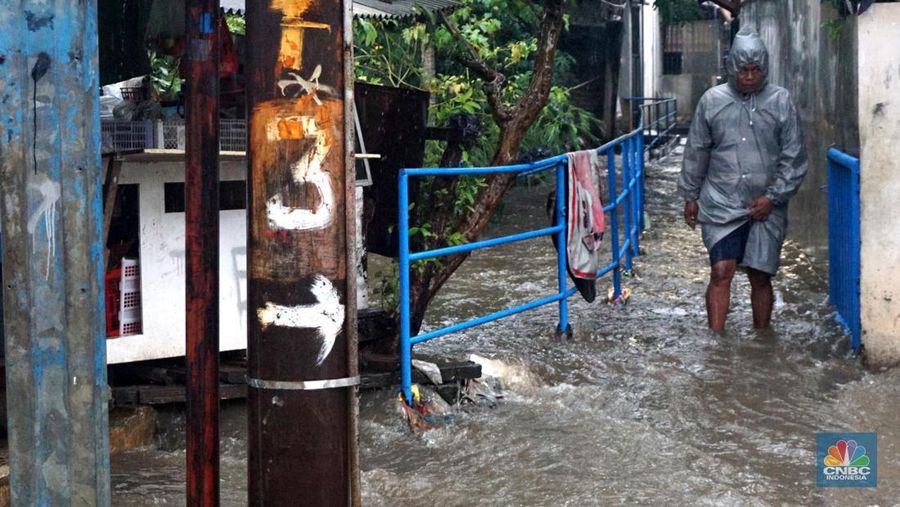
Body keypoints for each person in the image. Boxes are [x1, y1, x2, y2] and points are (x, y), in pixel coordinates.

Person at [678, 26, 808, 331]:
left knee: (760, 275)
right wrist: (690, 196)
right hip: (721, 202)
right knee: (721, 270)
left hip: (766, 204)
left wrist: (773, 197)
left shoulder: (781, 101)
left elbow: (794, 157)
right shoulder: (712, 101)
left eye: (755, 70)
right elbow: (696, 150)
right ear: (732, 68)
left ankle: (762, 339)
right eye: (743, 70)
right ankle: (717, 343)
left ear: (765, 68)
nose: (749, 77)